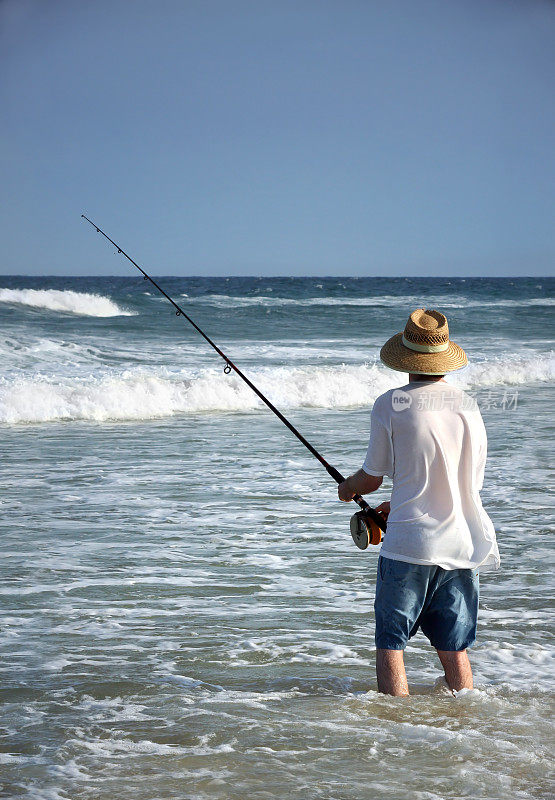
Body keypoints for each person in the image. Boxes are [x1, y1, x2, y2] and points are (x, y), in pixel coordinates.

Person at [338, 308, 499, 696]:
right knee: (455, 649)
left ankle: (396, 737)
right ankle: (465, 723)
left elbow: (371, 479)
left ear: (405, 358)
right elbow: (462, 484)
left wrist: (346, 488)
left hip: (410, 544)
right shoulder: (468, 405)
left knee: (392, 645)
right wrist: (396, 503)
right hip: (463, 543)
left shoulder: (391, 403)